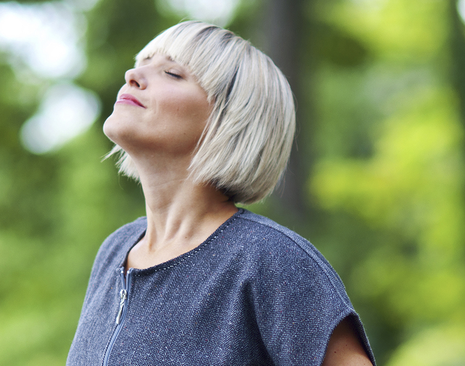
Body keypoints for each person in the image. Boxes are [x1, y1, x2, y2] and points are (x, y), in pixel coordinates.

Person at [66, 21, 375, 365]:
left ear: (229, 120)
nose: (133, 74)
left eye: (172, 73)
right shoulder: (114, 251)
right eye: (143, 63)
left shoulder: (270, 260)